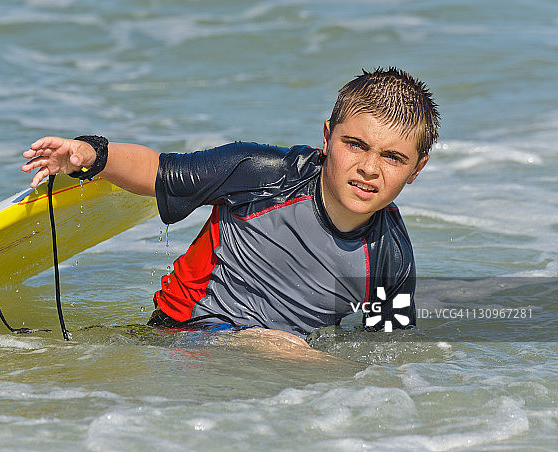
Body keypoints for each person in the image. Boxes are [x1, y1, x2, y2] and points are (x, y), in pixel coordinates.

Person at [22, 67, 439, 346]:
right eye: (356, 145)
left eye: (393, 158)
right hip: (178, 339)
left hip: (267, 376)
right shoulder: (260, 173)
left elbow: (386, 352)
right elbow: (160, 171)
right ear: (327, 137)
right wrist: (92, 155)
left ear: (416, 169)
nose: (369, 168)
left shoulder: (391, 258)